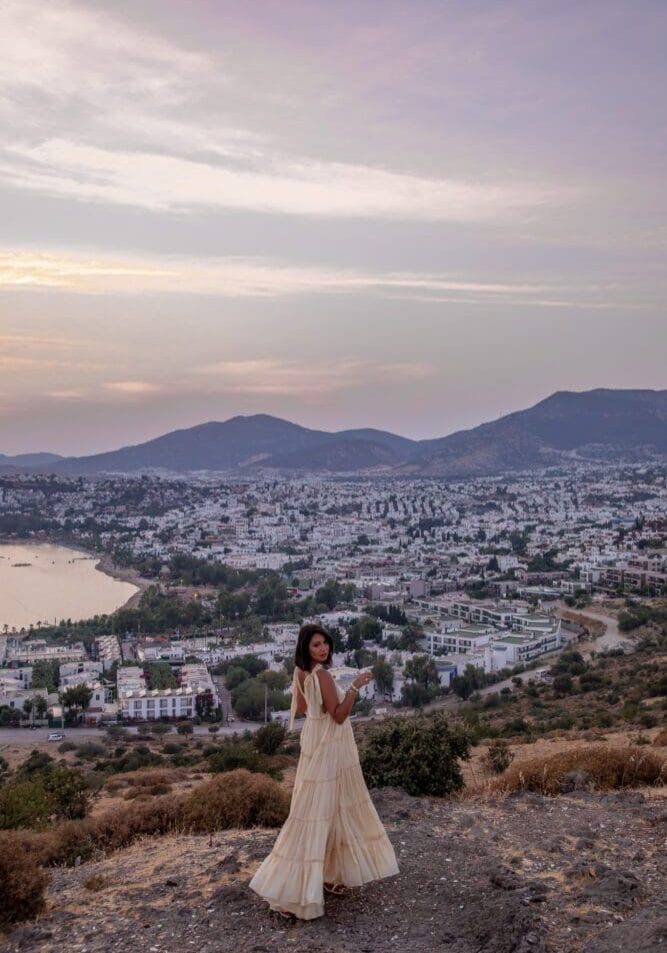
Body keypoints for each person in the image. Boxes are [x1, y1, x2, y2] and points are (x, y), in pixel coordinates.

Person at [249, 622, 399, 919]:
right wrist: (355, 686)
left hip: (313, 741)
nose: (323, 648)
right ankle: (297, 889)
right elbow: (340, 716)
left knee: (316, 808)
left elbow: (306, 709)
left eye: (325, 643)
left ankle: (328, 875)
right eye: (316, 645)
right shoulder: (324, 676)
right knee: (324, 809)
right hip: (330, 745)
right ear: (306, 648)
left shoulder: (300, 672)